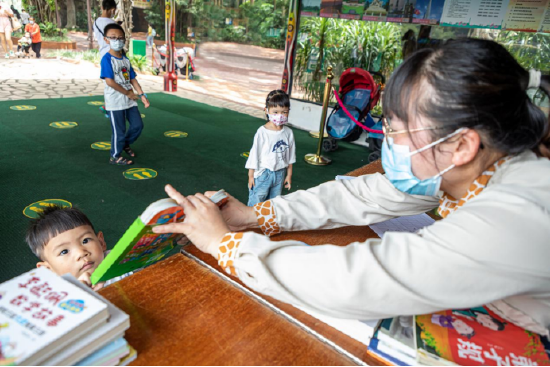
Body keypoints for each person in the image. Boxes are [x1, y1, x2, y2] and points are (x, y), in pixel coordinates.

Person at [153, 38, 550, 337]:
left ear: (461, 145)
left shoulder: (519, 215)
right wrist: (254, 214)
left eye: (396, 128)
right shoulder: (477, 168)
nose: (386, 138)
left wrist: (226, 244)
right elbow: (361, 193)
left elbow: (357, 280)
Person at [26, 206, 109, 290]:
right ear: (48, 270)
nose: (81, 253)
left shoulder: (121, 262)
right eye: (64, 251)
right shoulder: (56, 295)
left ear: (101, 242)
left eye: (85, 240)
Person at [100, 23, 149, 166]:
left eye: (120, 38)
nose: (117, 40)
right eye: (113, 37)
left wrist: (142, 95)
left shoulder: (125, 60)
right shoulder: (107, 59)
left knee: (137, 125)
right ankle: (115, 156)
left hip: (129, 100)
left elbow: (132, 78)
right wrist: (128, 93)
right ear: (106, 39)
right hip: (115, 101)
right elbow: (109, 81)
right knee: (119, 131)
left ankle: (125, 144)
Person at [245, 90, 295, 206]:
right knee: (256, 203)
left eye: (284, 112)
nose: (280, 115)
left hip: (280, 174)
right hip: (263, 174)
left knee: (274, 203)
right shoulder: (262, 132)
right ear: (267, 110)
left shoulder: (288, 133)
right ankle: (251, 223)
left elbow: (290, 156)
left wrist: (289, 175)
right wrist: (251, 176)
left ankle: (267, 223)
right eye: (275, 112)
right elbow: (254, 154)